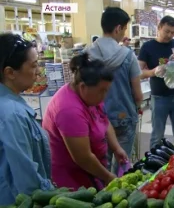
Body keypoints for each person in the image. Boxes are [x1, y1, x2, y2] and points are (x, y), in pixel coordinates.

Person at [43, 53, 128, 190]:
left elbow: (104, 121)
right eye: (102, 91)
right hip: (72, 178)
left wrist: (116, 148)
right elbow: (83, 158)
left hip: (92, 172)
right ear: (82, 87)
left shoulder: (91, 97)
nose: (104, 95)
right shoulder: (69, 110)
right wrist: (108, 177)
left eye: (106, 90)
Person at [86, 7, 143, 173]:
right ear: (118, 28)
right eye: (124, 28)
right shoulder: (127, 55)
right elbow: (137, 93)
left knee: (100, 163)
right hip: (123, 116)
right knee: (122, 163)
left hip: (95, 118)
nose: (124, 33)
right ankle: (120, 192)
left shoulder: (86, 54)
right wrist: (138, 105)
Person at [0, 33, 54, 205]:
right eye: (33, 65)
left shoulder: (10, 103)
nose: (38, 71)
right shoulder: (12, 114)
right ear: (10, 72)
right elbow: (27, 181)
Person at [138, 15, 174, 149]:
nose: (170, 35)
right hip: (159, 98)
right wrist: (153, 72)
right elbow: (138, 73)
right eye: (167, 31)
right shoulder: (148, 47)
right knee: (157, 135)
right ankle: (154, 165)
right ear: (159, 28)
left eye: (173, 32)